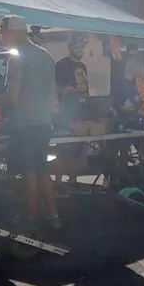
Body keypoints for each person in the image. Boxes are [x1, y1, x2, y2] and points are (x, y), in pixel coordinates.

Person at [0, 15, 61, 229]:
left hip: (23, 123)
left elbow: (13, 97)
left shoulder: (17, 57)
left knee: (29, 172)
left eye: (3, 32)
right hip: (43, 122)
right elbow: (53, 95)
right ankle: (54, 217)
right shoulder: (46, 55)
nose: (1, 36)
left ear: (15, 32)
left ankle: (29, 221)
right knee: (42, 170)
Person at [53, 35, 89, 195]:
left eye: (82, 46)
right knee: (64, 149)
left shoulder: (82, 65)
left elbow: (85, 88)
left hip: (79, 111)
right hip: (64, 113)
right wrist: (65, 89)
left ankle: (73, 180)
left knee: (77, 149)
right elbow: (53, 86)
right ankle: (59, 182)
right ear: (70, 47)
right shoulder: (61, 65)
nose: (80, 49)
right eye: (77, 46)